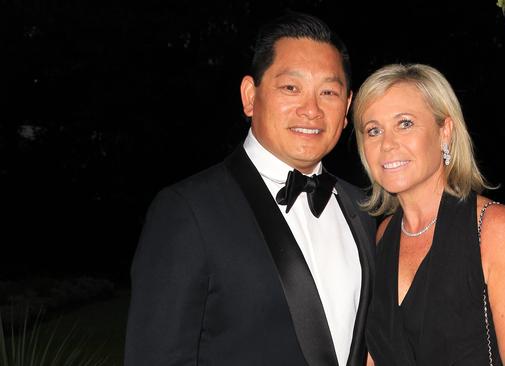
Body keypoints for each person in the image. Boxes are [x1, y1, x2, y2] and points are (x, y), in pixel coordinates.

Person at [124, 11, 376, 366]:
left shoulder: (365, 210)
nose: (312, 109)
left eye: (328, 92)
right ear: (249, 95)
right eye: (291, 87)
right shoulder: (187, 210)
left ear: (347, 106)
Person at [352, 64, 505, 365]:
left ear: (445, 132)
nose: (387, 144)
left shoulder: (496, 230)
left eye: (404, 123)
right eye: (373, 130)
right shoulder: (381, 236)